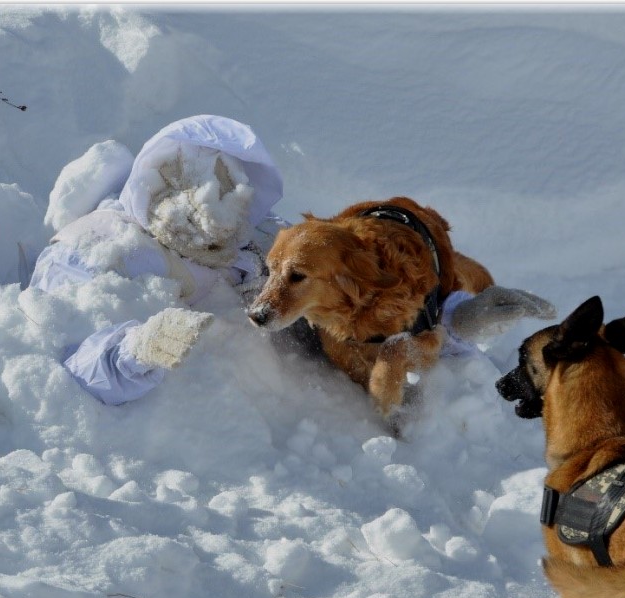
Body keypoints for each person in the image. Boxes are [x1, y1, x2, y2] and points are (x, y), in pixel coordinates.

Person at [31, 114, 553, 407]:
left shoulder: (252, 236)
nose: (219, 221)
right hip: (212, 433)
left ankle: (459, 319)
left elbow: (361, 283)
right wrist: (139, 350)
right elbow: (69, 364)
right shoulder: (102, 249)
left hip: (307, 360)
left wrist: (447, 307)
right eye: (200, 201)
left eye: (229, 199)